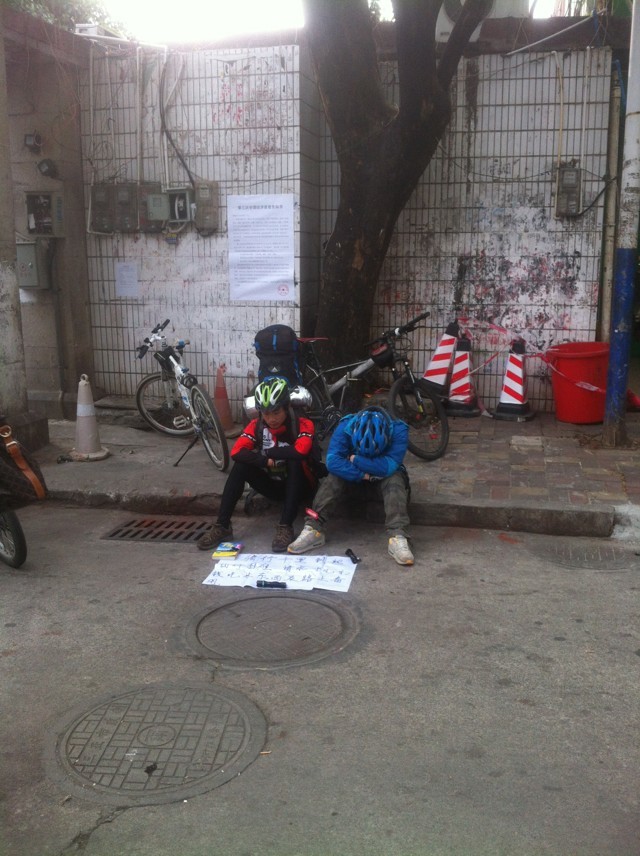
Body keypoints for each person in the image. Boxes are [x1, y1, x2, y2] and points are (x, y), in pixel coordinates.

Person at [196, 375, 319, 554]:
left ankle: (285, 526)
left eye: (276, 412)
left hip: (302, 486)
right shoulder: (257, 426)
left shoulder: (303, 424)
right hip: (274, 486)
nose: (272, 419)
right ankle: (222, 526)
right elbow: (236, 452)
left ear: (287, 408)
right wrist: (263, 460)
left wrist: (269, 453)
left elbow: (300, 451)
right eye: (266, 414)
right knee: (241, 466)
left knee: (294, 460)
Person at [287, 405, 414, 566]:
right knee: (334, 477)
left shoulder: (399, 430)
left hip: (383, 480)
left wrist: (355, 459)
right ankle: (313, 528)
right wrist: (364, 475)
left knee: (395, 478)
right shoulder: (345, 426)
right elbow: (332, 462)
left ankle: (398, 536)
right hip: (355, 479)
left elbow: (388, 466)